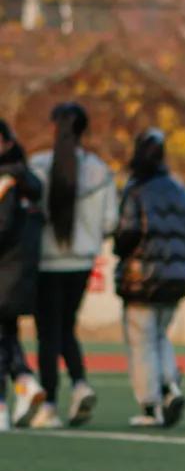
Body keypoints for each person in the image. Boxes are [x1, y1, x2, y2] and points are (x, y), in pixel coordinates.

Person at [28, 102, 117, 428]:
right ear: (84, 130)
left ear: (55, 127)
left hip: (45, 262)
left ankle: (49, 403)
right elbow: (110, 222)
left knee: (47, 335)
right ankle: (79, 384)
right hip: (81, 262)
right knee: (66, 327)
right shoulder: (101, 171)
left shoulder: (38, 166)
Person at [114, 129, 185, 428]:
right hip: (175, 278)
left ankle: (150, 405)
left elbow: (126, 232)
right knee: (160, 336)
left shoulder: (136, 189)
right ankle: (169, 387)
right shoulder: (180, 190)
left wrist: (118, 248)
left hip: (141, 279)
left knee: (142, 342)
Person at [0, 120, 46, 430]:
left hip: (5, 271)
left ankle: (8, 401)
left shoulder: (7, 181)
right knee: (7, 336)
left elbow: (1, 228)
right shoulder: (27, 179)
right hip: (20, 272)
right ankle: (24, 385)